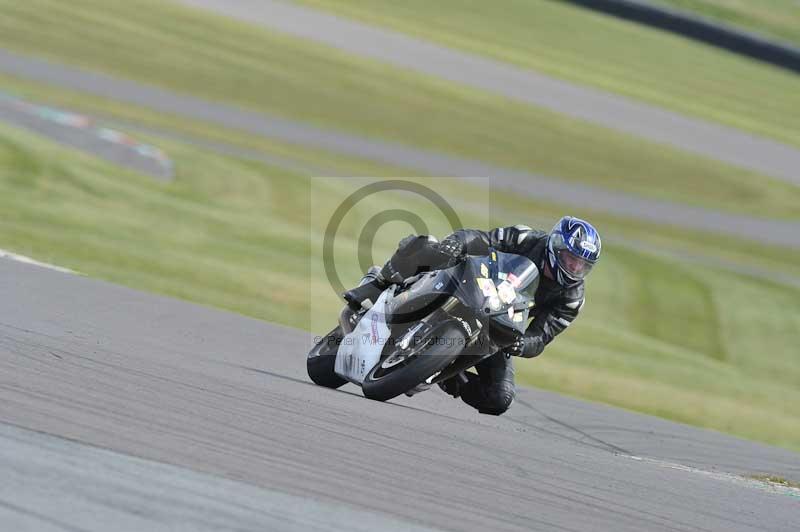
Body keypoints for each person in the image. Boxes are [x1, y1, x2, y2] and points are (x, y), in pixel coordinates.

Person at [343, 216, 601, 416]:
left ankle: (451, 376)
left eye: (582, 265)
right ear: (555, 246)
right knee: (430, 246)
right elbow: (482, 239)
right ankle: (378, 283)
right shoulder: (527, 239)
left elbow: (541, 336)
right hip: (474, 285)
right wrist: (458, 243)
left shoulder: (572, 298)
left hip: (501, 323)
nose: (575, 268)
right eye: (570, 259)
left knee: (499, 398)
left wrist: (523, 344)